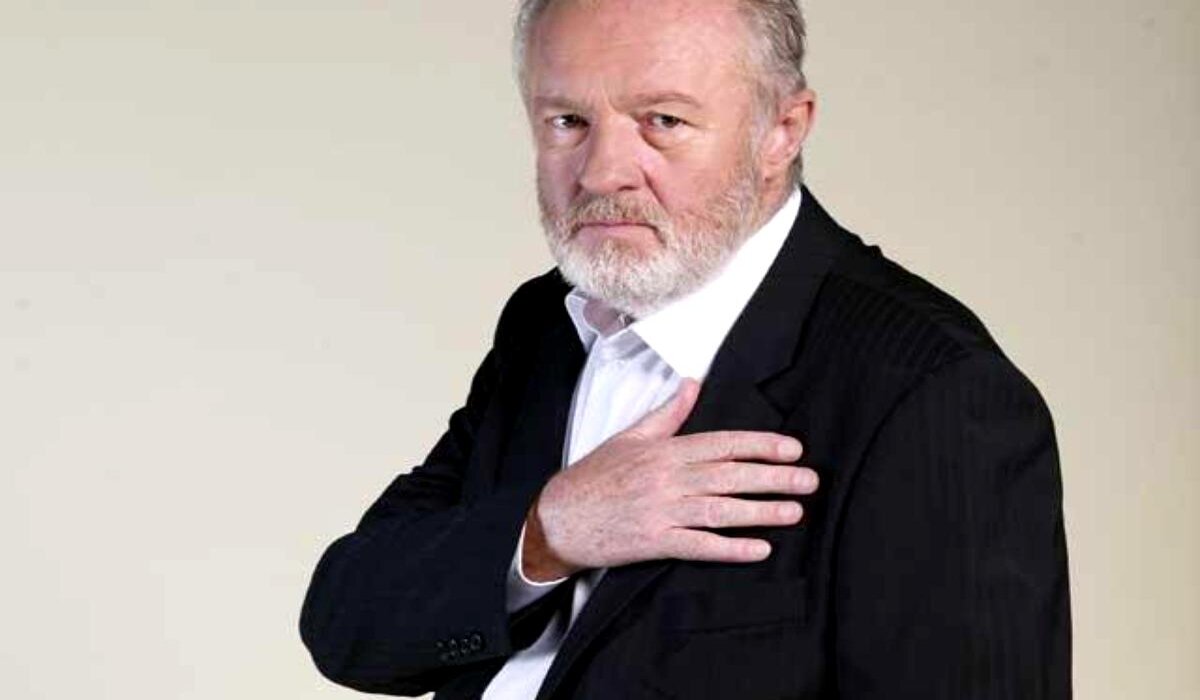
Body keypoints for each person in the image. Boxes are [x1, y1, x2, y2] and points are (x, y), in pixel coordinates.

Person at [299, 0, 1072, 697]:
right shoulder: (546, 320)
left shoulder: (933, 392)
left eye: (662, 120)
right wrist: (551, 529)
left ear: (782, 131)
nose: (602, 173)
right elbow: (349, 627)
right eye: (567, 122)